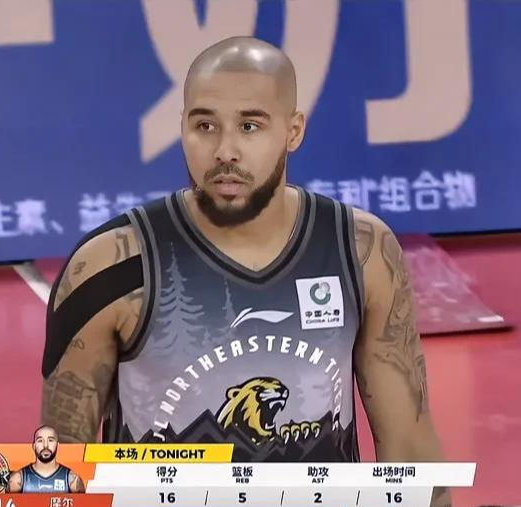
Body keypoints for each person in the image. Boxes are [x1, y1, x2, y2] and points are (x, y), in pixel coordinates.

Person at [41, 36, 450, 506]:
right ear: (182, 128)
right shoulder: (109, 265)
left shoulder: (361, 252)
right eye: (205, 126)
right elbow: (59, 472)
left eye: (250, 126)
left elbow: (410, 449)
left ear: (293, 131)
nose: (225, 150)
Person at [6, 425, 85, 494]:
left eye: (50, 440)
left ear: (57, 445)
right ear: (34, 446)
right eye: (40, 441)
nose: (45, 445)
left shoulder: (72, 480)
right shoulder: (17, 480)